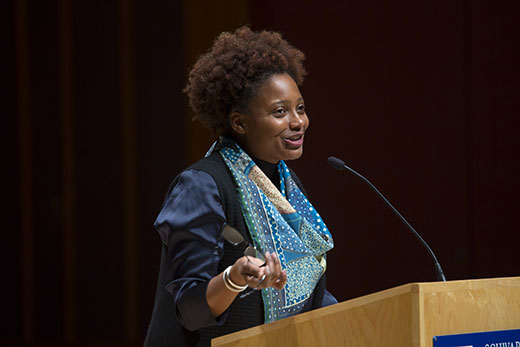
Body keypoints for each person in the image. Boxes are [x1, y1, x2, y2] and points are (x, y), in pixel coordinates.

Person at [144, 26, 336, 347]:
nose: (297, 121)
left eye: (300, 108)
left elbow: (311, 296)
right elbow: (189, 309)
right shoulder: (202, 186)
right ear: (239, 122)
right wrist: (233, 279)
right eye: (280, 112)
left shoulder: (287, 186)